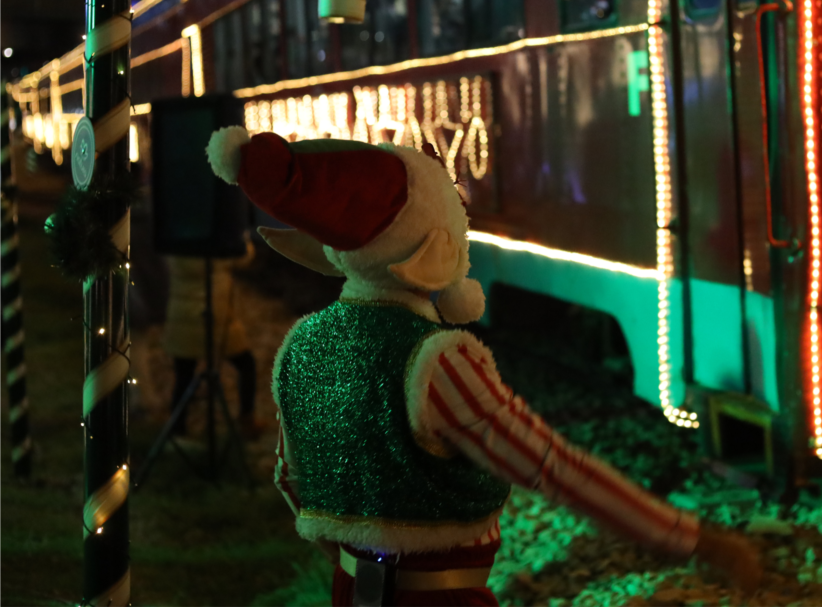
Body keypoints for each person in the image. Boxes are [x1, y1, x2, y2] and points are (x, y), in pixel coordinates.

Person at [206, 128, 762, 607]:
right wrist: (691, 538)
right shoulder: (439, 362)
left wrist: (356, 555)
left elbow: (293, 481)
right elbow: (553, 467)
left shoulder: (302, 345)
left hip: (349, 591)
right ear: (433, 244)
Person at [164, 248, 267, 441]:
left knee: (184, 374)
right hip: (216, 313)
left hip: (182, 312)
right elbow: (243, 256)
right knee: (246, 364)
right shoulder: (218, 242)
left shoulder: (175, 236)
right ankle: (247, 420)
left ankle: (177, 430)